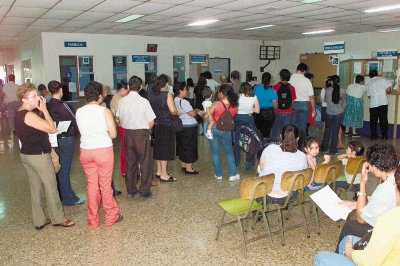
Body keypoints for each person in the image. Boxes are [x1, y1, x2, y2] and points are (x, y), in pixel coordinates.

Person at [14, 83, 75, 229]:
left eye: (37, 95)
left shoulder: (19, 112)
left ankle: (40, 220)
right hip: (39, 156)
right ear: (24, 99)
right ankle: (58, 218)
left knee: (36, 187)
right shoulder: (28, 114)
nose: (38, 98)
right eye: (33, 96)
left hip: (27, 155)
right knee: (51, 186)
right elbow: (52, 128)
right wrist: (45, 109)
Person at [314, 171, 400, 266]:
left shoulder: (389, 218)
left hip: (377, 261)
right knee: (346, 240)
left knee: (320, 257)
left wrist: (350, 252)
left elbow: (369, 261)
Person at [334, 144, 398, 252]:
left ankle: (339, 257)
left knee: (351, 225)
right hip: (395, 223)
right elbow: (384, 202)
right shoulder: (395, 174)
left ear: (375, 167)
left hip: (389, 232)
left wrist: (362, 184)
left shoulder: (383, 190)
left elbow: (361, 219)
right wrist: (356, 204)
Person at [76, 81, 122, 228]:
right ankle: (110, 217)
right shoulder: (104, 111)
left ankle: (93, 220)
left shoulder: (79, 111)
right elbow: (114, 134)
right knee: (105, 185)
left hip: (86, 150)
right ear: (100, 96)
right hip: (103, 151)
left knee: (91, 185)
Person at [117, 75, 156, 198]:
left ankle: (131, 189)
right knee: (145, 161)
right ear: (140, 88)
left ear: (128, 87)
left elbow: (119, 119)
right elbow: (151, 122)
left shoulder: (122, 101)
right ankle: (144, 190)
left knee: (130, 162)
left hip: (128, 133)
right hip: (141, 133)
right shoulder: (144, 102)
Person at [47, 80, 83, 206]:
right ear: (61, 91)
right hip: (66, 139)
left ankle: (62, 194)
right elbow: (74, 119)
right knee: (64, 170)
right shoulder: (63, 105)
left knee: (57, 167)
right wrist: (79, 133)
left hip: (53, 140)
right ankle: (68, 198)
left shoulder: (48, 105)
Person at [258, 124, 308, 204]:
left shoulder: (270, 148)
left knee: (260, 169)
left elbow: (261, 167)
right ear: (298, 139)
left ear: (281, 136)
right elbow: (303, 177)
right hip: (288, 195)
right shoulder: (302, 156)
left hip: (265, 194)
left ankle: (259, 209)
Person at [149, 74, 179, 182]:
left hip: (157, 125)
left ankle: (159, 171)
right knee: (165, 149)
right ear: (166, 84)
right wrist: (177, 112)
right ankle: (164, 175)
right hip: (166, 125)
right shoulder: (167, 95)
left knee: (158, 148)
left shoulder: (152, 95)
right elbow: (172, 110)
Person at [209, 84, 240, 181]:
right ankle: (232, 175)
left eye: (218, 92)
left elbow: (207, 116)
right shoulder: (234, 105)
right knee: (229, 152)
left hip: (214, 128)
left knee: (215, 153)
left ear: (222, 93)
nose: (217, 94)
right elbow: (232, 116)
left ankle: (218, 175)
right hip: (226, 130)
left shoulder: (216, 104)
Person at [174, 82, 200, 175]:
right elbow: (192, 113)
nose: (186, 91)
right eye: (185, 89)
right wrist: (197, 110)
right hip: (189, 127)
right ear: (180, 91)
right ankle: (189, 169)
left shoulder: (174, 100)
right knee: (190, 147)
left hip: (181, 126)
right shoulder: (184, 101)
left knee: (182, 146)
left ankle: (184, 166)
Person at [233, 82, 260, 165]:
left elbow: (234, 110)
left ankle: (236, 161)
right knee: (250, 140)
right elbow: (257, 111)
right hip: (249, 119)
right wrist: (250, 111)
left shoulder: (237, 97)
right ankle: (250, 162)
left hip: (238, 118)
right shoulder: (254, 97)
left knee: (237, 141)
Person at [321, 75, 346, 155]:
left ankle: (324, 147)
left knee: (327, 131)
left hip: (329, 113)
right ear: (339, 82)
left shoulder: (327, 90)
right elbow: (345, 103)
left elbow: (325, 100)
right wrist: (341, 108)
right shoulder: (342, 91)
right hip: (339, 113)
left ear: (331, 81)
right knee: (335, 131)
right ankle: (333, 150)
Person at [289, 63, 316, 137]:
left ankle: (293, 144)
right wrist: (313, 109)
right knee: (303, 127)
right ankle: (301, 144)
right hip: (304, 105)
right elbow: (311, 97)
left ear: (296, 69)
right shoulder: (307, 81)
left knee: (293, 127)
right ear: (304, 71)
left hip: (293, 104)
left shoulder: (290, 79)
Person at [271, 69, 297, 141]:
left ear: (280, 77)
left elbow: (273, 100)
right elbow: (293, 100)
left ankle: (273, 144)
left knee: (275, 130)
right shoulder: (291, 88)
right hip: (288, 111)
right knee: (286, 131)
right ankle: (286, 146)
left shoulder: (275, 87)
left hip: (277, 111)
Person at [110, 81, 129, 179]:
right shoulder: (119, 100)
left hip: (121, 125)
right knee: (125, 148)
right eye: (127, 90)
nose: (128, 93)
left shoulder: (115, 97)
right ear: (122, 90)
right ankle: (124, 169)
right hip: (122, 125)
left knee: (124, 147)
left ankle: (125, 169)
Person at [366, 70, 392, 140]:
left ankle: (373, 136)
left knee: (373, 121)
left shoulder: (368, 83)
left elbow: (369, 96)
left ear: (370, 76)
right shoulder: (383, 79)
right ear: (377, 74)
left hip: (373, 104)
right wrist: (385, 92)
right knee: (383, 120)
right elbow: (389, 90)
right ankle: (384, 136)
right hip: (383, 102)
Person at [253, 72, 278, 138]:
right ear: (270, 80)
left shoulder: (256, 88)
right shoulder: (272, 91)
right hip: (268, 114)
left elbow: (252, 100)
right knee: (266, 133)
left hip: (257, 113)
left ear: (261, 79)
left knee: (258, 132)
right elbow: (275, 106)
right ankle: (266, 146)